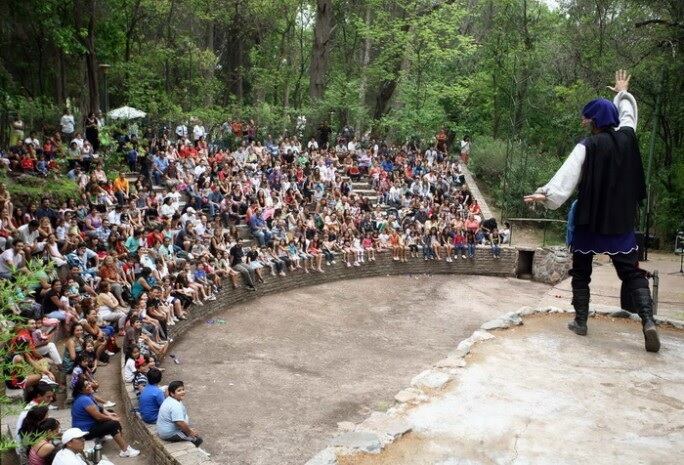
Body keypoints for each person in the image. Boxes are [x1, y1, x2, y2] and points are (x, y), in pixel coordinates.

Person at [524, 70, 659, 353]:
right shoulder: (627, 137)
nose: (585, 123)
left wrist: (545, 194)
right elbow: (629, 117)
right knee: (631, 273)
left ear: (595, 122)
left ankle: (581, 322)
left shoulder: (587, 145)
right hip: (620, 221)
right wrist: (622, 93)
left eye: (588, 118)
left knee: (582, 271)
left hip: (589, 220)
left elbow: (567, 177)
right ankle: (648, 321)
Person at [70, 378, 140, 457]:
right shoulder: (84, 399)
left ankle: (105, 436)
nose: (89, 386)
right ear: (81, 390)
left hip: (90, 425)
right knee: (113, 424)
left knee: (110, 412)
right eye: (86, 385)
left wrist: (109, 415)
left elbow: (99, 408)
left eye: (89, 383)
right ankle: (125, 450)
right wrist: (111, 418)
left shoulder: (87, 395)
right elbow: (98, 417)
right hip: (84, 432)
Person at [156, 380, 203, 447]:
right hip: (169, 434)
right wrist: (190, 432)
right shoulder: (175, 405)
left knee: (191, 432)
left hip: (165, 429)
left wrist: (188, 430)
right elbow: (180, 423)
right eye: (179, 390)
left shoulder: (170, 399)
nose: (182, 392)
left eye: (183, 389)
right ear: (172, 393)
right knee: (197, 439)